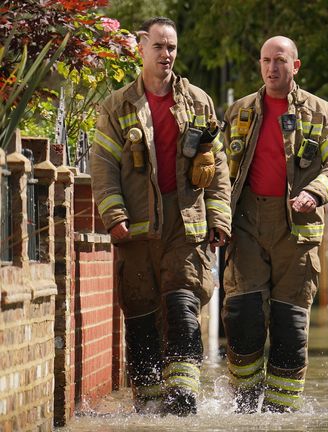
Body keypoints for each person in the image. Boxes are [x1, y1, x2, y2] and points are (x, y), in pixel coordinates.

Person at [90, 17, 231, 416]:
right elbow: (102, 166)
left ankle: (184, 401)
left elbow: (218, 163)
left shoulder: (198, 101)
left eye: (172, 47)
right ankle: (149, 408)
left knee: (184, 305)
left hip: (185, 222)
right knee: (141, 314)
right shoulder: (117, 105)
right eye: (159, 46)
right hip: (136, 228)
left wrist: (220, 216)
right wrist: (113, 214)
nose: (166, 55)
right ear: (141, 47)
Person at [221, 35, 328, 414]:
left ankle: (282, 415)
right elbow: (216, 169)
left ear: (295, 66)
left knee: (290, 326)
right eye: (265, 60)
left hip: (298, 228)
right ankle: (243, 410)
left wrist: (316, 192)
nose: (271, 68)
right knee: (243, 319)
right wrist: (216, 218)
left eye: (280, 60)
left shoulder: (320, 112)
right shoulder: (240, 112)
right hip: (245, 223)